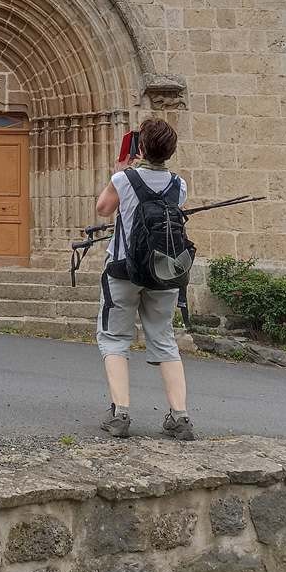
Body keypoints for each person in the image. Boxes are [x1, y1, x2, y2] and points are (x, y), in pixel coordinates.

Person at [94, 117, 195, 441]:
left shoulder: (124, 178)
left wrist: (122, 167)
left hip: (123, 268)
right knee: (164, 339)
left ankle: (120, 413)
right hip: (164, 271)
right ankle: (180, 417)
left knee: (114, 339)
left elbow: (103, 209)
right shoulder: (179, 185)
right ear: (170, 151)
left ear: (142, 147)